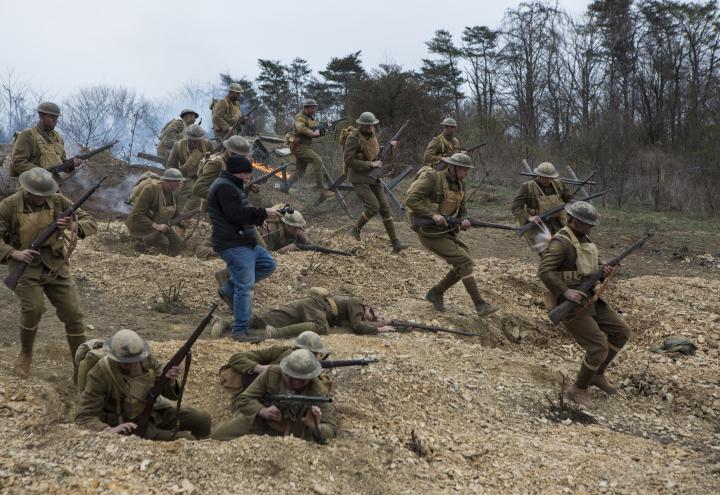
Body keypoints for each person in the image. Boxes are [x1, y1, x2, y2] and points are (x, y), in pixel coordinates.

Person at [0, 168, 97, 378]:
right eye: (38, 195)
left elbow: (90, 222)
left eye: (46, 195)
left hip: (54, 263)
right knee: (34, 308)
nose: (42, 199)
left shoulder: (58, 200)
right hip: (24, 264)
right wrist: (14, 253)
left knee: (73, 313)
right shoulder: (8, 206)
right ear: (27, 190)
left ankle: (79, 365)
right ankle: (25, 354)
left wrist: (74, 224)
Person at [538, 201, 631, 407]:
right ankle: (578, 389)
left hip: (589, 298)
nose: (591, 228)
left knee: (621, 332)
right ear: (576, 222)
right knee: (598, 347)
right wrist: (565, 291)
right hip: (570, 304)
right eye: (588, 224)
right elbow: (544, 270)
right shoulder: (561, 242)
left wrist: (601, 271)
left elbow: (585, 268)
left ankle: (596, 374)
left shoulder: (583, 238)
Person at [405, 152, 498, 318]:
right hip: (428, 230)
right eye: (464, 169)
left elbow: (462, 209)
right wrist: (433, 215)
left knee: (464, 261)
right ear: (453, 167)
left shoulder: (461, 184)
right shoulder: (433, 178)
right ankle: (480, 305)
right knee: (464, 261)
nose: (466, 173)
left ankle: (436, 292)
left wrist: (463, 221)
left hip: (444, 230)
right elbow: (411, 200)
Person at [75, 329, 211, 440]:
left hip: (154, 412)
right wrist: (108, 429)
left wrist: (169, 379)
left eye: (136, 360)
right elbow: (84, 416)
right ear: (114, 357)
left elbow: (170, 394)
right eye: (127, 362)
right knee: (185, 440)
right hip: (128, 424)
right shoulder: (100, 373)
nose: (133, 364)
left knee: (202, 419)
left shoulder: (146, 360)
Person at [207, 155, 282, 342]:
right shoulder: (224, 187)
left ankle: (228, 287)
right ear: (240, 172)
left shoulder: (230, 185)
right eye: (248, 173)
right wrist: (264, 213)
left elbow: (239, 210)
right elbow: (236, 214)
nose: (249, 177)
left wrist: (263, 213)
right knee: (245, 288)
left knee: (268, 264)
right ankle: (240, 332)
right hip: (233, 243)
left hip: (244, 241)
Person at [211, 349, 335, 443]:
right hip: (263, 424)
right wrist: (262, 410)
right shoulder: (272, 373)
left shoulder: (318, 391)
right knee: (215, 436)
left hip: (297, 435)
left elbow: (330, 428)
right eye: (292, 377)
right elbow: (244, 399)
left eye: (302, 379)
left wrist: (315, 427)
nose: (297, 382)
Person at [344, 111, 406, 252]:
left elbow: (375, 154)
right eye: (367, 125)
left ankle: (395, 242)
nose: (370, 127)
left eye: (372, 125)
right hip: (359, 178)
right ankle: (355, 229)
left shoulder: (372, 137)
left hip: (374, 177)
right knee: (373, 206)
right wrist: (370, 165)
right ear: (361, 124)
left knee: (384, 207)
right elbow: (349, 160)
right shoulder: (353, 138)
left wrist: (389, 147)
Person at [218, 331, 327, 394]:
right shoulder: (280, 351)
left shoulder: (311, 374)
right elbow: (236, 358)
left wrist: (317, 376)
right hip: (244, 389)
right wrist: (260, 368)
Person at [11, 102, 82, 178]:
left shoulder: (58, 138)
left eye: (56, 118)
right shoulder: (28, 135)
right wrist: (41, 172)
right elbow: (18, 162)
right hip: (31, 186)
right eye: (52, 117)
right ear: (41, 116)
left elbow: (62, 162)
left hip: (53, 186)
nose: (55, 121)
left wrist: (71, 164)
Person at [125, 168, 186, 256]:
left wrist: (181, 223)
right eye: (176, 181)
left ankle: (170, 263)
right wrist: (156, 226)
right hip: (141, 226)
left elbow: (174, 212)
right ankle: (153, 261)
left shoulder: (174, 192)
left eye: (179, 181)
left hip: (160, 225)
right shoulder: (150, 190)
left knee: (178, 243)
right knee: (164, 242)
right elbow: (136, 214)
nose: (179, 184)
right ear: (167, 181)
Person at [280, 98, 332, 197]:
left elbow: (317, 133)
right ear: (306, 108)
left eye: (314, 108)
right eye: (312, 108)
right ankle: (321, 189)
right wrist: (313, 133)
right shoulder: (300, 117)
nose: (314, 110)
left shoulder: (311, 119)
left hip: (304, 146)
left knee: (300, 172)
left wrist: (326, 129)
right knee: (317, 160)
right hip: (299, 146)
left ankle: (284, 188)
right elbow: (301, 129)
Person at [511, 161, 573, 242]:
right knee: (546, 249)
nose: (547, 180)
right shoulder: (528, 187)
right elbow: (516, 207)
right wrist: (530, 217)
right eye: (544, 177)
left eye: (549, 177)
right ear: (539, 175)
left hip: (557, 223)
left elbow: (568, 199)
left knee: (562, 245)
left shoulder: (559, 184)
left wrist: (570, 203)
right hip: (538, 225)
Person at [165, 124, 214, 213]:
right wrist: (177, 179)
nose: (197, 142)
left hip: (204, 176)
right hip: (187, 177)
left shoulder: (207, 144)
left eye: (198, 140)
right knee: (196, 195)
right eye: (194, 140)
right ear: (189, 138)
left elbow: (215, 159)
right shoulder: (178, 146)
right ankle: (183, 216)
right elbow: (170, 165)